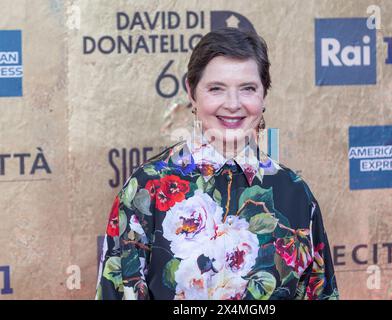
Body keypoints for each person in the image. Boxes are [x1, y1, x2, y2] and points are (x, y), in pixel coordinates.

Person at [95, 27, 339, 300]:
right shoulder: (146, 187)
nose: (233, 104)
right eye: (216, 89)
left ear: (264, 95)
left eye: (248, 88)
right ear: (192, 91)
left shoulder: (294, 193)